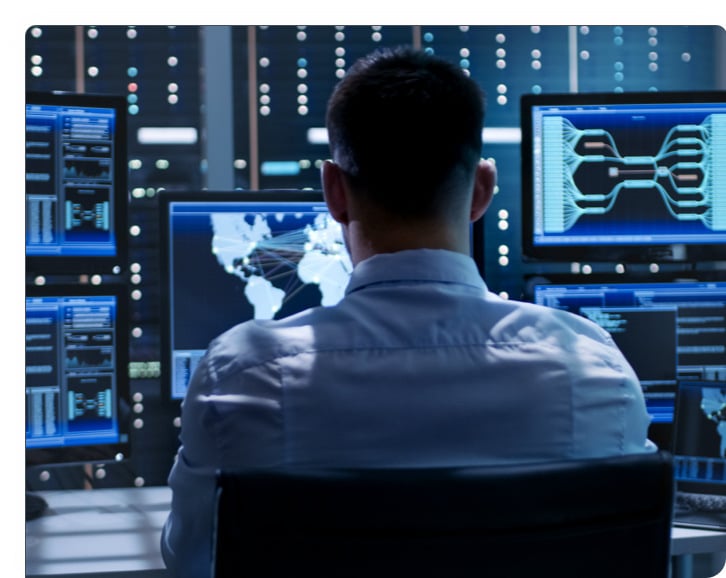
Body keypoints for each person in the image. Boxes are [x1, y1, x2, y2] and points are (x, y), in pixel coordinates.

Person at [160, 46, 656, 577]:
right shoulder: (591, 366)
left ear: (334, 191)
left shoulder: (245, 372)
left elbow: (190, 559)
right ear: (482, 190)